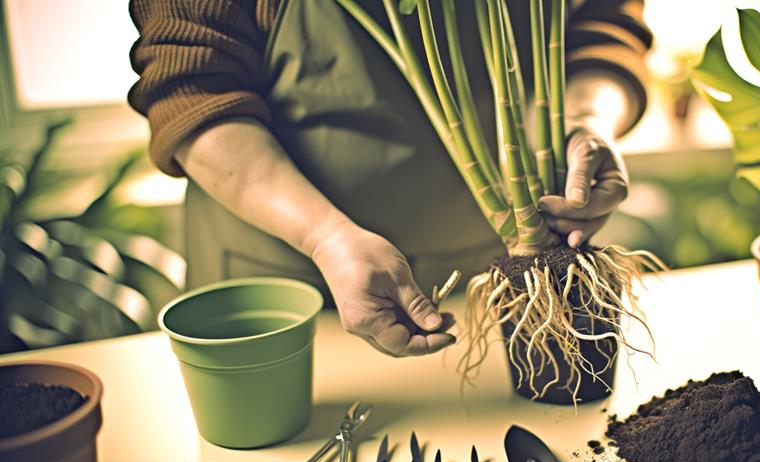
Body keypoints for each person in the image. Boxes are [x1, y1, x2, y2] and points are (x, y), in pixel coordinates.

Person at [128, 0, 652, 358]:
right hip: (282, 282)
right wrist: (325, 236)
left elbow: (603, 29)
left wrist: (587, 120)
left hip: (484, 273)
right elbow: (189, 87)